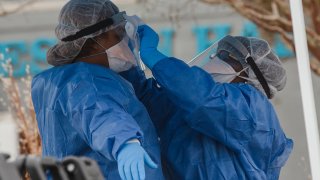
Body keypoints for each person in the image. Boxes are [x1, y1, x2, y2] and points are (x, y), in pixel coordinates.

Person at [120, 25, 293, 179]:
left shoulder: (254, 107)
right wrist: (125, 53)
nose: (216, 59)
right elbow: (147, 102)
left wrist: (153, 55)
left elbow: (202, 97)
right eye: (219, 54)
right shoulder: (190, 104)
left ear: (250, 75)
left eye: (227, 57)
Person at [31, 1, 165, 180]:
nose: (125, 39)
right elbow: (98, 112)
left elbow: (134, 98)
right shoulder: (87, 82)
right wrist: (125, 141)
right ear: (94, 42)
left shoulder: (65, 81)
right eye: (118, 34)